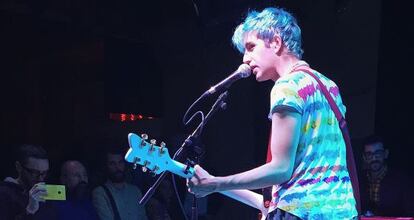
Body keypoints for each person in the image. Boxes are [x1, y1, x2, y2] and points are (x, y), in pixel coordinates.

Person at [187, 7, 358, 219]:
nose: (245, 59)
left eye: (251, 47)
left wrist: (217, 183)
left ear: (276, 43)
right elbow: (307, 172)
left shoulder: (286, 86)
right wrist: (216, 184)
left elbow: (281, 169)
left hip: (301, 212)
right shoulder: (328, 86)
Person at [360, 135, 414, 217]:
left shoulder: (402, 181)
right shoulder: (358, 180)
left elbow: (410, 213)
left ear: (385, 154)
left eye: (378, 153)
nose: (374, 158)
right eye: (369, 154)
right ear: (364, 157)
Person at [0, 144, 57, 219]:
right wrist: (29, 210)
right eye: (34, 172)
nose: (40, 179)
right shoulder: (4, 193)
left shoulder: (46, 194)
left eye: (44, 173)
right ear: (18, 167)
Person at [92, 146, 148, 220]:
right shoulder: (100, 192)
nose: (117, 167)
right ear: (106, 166)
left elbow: (143, 217)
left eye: (120, 162)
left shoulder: (135, 191)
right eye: (112, 163)